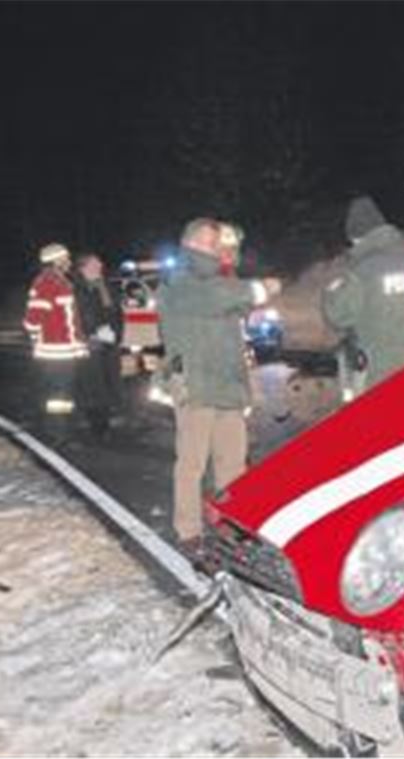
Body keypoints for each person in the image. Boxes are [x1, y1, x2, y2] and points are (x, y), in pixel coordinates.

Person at [157, 217, 280, 554]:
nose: (219, 250)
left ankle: (232, 522)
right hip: (196, 383)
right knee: (192, 463)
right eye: (214, 243)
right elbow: (216, 298)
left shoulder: (218, 280)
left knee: (233, 463)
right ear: (194, 243)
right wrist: (259, 288)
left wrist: (247, 289)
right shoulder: (179, 280)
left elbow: (234, 301)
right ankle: (188, 531)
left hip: (226, 383)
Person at [321, 195, 404, 402]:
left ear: (357, 237)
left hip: (381, 377)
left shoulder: (363, 271)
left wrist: (331, 289)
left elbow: (338, 316)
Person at [22, 243, 88, 424]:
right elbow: (32, 319)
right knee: (58, 394)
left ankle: (62, 427)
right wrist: (39, 338)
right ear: (55, 261)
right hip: (55, 351)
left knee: (63, 393)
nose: (69, 262)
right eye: (65, 258)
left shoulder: (61, 282)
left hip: (65, 351)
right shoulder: (46, 283)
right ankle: (57, 431)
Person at [72, 253, 123, 439]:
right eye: (95, 263)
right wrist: (90, 334)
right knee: (93, 385)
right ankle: (97, 425)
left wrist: (117, 334)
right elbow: (76, 317)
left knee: (110, 382)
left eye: (100, 262)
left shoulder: (106, 286)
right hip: (91, 343)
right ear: (84, 267)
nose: (101, 264)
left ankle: (107, 418)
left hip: (109, 342)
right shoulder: (76, 290)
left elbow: (116, 312)